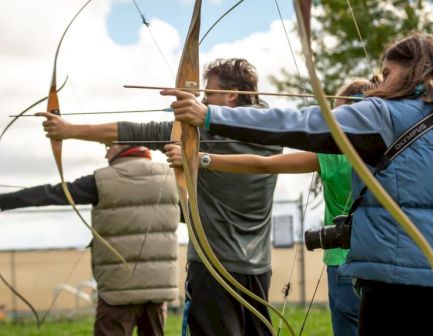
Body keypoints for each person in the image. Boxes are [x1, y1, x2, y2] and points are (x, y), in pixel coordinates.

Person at [162, 32, 433, 336]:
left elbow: (302, 123)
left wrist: (209, 115)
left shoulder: (384, 114)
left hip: (394, 282)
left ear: (411, 70)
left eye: (388, 74)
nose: (381, 84)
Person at [38, 58, 283, 336]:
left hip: (213, 268)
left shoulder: (203, 135)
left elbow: (134, 132)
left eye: (208, 93)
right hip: (259, 267)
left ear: (231, 95)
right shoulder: (273, 132)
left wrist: (69, 131)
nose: (202, 99)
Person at [165, 78, 379, 336]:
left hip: (342, 264)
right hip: (384, 263)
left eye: (338, 113)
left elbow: (263, 165)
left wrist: (200, 158)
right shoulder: (394, 150)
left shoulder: (334, 155)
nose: (333, 121)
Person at [0, 144, 180, 336]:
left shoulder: (103, 179)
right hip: (158, 291)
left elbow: (53, 193)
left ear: (126, 144)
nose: (106, 152)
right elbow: (191, 217)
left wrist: (5, 200)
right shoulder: (171, 178)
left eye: (110, 145)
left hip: (117, 291)